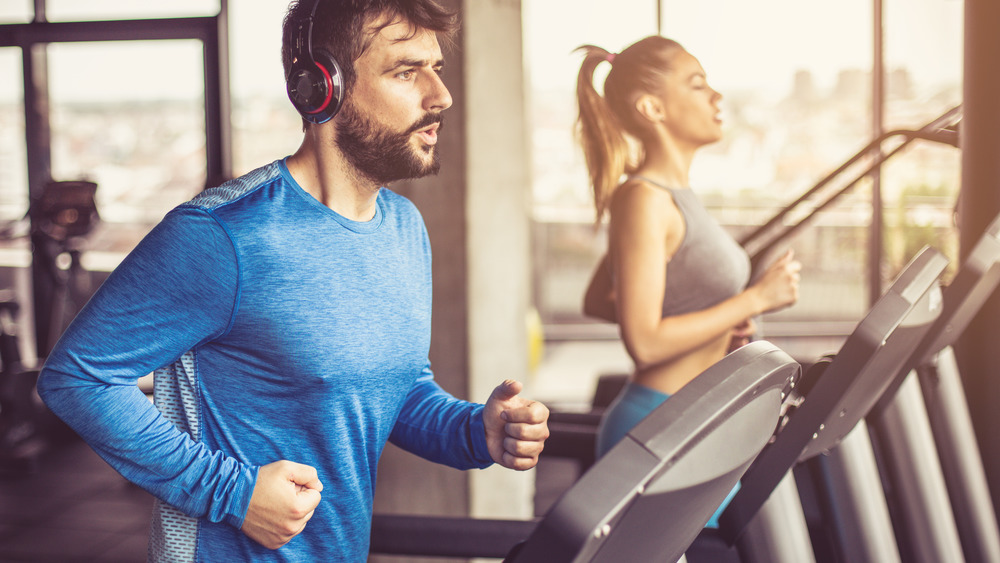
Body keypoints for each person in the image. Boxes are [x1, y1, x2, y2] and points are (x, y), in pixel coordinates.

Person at [36, 1, 549, 561]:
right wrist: (231, 492)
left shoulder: (402, 227)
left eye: (437, 68)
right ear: (321, 86)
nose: (439, 96)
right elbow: (76, 378)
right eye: (406, 71)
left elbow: (391, 390)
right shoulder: (222, 235)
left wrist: (478, 432)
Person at [574, 36, 800, 526]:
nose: (717, 97)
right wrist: (752, 300)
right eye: (698, 85)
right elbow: (646, 342)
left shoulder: (671, 195)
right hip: (658, 422)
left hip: (695, 418)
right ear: (653, 107)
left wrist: (714, 324)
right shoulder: (642, 199)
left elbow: (601, 299)